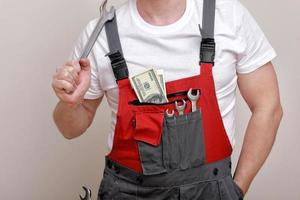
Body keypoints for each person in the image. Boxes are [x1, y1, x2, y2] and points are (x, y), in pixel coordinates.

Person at [52, 0, 283, 199]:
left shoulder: (229, 16)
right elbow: (69, 129)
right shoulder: (101, 34)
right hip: (126, 192)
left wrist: (236, 190)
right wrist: (71, 101)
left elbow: (268, 106)